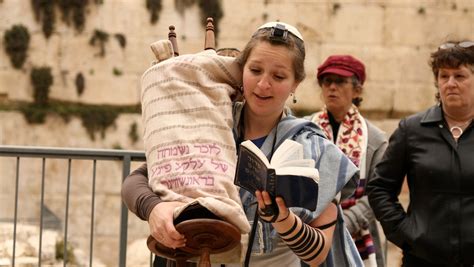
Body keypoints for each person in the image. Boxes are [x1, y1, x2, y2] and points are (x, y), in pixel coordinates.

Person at [122, 21, 363, 267]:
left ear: (295, 84)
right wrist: (153, 209)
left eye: (278, 76)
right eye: (255, 70)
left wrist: (284, 220)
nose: (263, 84)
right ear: (240, 70)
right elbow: (137, 180)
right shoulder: (210, 121)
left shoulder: (314, 149)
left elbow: (318, 253)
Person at [366, 40, 474, 266]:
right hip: (421, 260)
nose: (450, 83)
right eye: (444, 76)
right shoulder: (412, 130)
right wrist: (406, 235)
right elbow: (379, 188)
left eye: (460, 76)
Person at [306, 55, 388, 267]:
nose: (332, 87)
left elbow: (378, 193)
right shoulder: (304, 129)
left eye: (340, 81)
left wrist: (345, 221)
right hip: (309, 233)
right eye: (327, 81)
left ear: (357, 90)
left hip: (359, 235)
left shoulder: (375, 139)